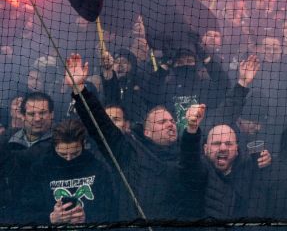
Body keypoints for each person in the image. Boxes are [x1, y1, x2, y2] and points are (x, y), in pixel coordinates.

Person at [68, 52, 260, 221]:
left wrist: (242, 85)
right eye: (161, 122)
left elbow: (222, 117)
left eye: (171, 121)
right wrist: (80, 91)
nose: (169, 124)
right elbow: (101, 126)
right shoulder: (130, 152)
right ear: (146, 131)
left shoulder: (187, 151)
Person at [178, 103, 271, 219]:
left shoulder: (248, 171)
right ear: (205, 149)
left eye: (228, 144)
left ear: (237, 149)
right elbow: (189, 161)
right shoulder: (200, 171)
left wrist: (267, 163)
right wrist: (192, 129)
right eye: (216, 144)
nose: (223, 148)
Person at [20, 119, 116, 224]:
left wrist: (87, 219)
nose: (69, 159)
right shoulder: (40, 170)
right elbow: (26, 213)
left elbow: (109, 210)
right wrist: (51, 218)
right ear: (54, 146)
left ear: (83, 144)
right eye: (63, 154)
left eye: (75, 153)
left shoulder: (98, 168)